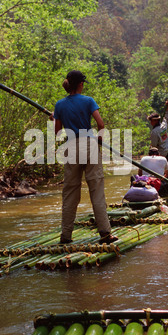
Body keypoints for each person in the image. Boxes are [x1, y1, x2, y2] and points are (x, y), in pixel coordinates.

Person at [54, 70, 116, 244]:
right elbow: (100, 124)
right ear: (81, 84)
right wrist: (99, 139)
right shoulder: (89, 101)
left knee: (70, 193)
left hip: (70, 146)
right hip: (89, 145)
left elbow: (57, 132)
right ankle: (105, 233)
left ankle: (66, 236)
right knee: (96, 189)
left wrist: (56, 118)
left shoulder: (59, 105)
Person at [148, 101, 168, 166]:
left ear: (156, 121)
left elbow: (154, 147)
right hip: (166, 150)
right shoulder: (164, 125)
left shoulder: (154, 132)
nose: (151, 123)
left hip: (160, 154)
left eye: (151, 121)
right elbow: (166, 116)